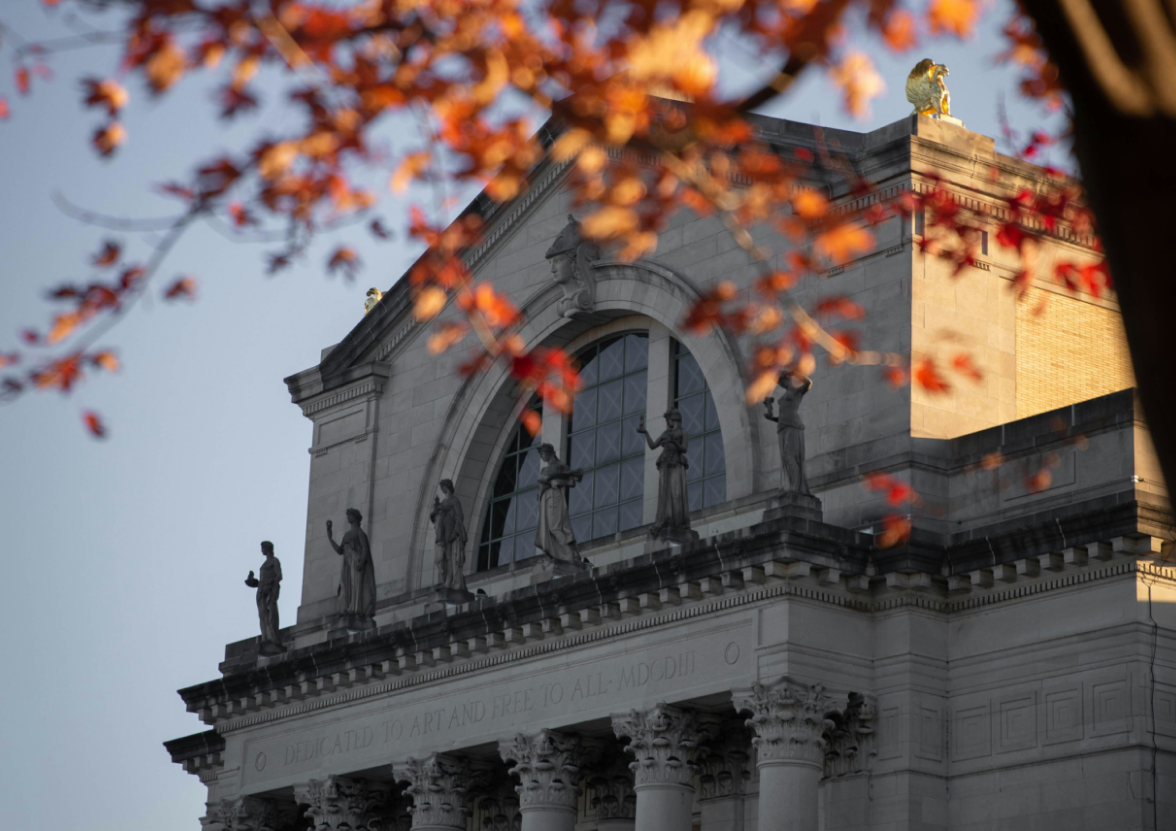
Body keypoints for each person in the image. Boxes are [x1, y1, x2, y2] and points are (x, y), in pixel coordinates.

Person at [637, 409, 694, 540]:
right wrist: (645, 432)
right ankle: (666, 519)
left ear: (673, 419)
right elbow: (652, 446)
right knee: (666, 493)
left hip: (676, 463)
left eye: (668, 420)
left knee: (676, 492)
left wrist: (674, 443)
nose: (668, 423)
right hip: (665, 464)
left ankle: (677, 520)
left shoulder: (683, 433)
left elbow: (684, 448)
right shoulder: (666, 433)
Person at [763, 371, 813, 495]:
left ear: (786, 378)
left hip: (793, 425)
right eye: (778, 383)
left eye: (780, 381)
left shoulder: (796, 390)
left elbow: (808, 383)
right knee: (786, 459)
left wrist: (796, 373)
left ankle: (795, 487)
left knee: (789, 455)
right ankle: (791, 486)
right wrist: (772, 418)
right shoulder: (786, 394)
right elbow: (783, 416)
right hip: (783, 427)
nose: (780, 384)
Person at [326, 508, 377, 627]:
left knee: (356, 587)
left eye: (349, 515)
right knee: (345, 587)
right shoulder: (347, 535)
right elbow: (340, 550)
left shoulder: (359, 532)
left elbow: (364, 548)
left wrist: (362, 561)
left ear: (355, 517)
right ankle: (347, 609)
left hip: (356, 563)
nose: (348, 517)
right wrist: (330, 538)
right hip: (347, 565)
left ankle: (357, 611)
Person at [534, 443, 584, 564]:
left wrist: (557, 480)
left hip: (554, 496)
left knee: (555, 528)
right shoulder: (544, 469)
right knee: (550, 529)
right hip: (545, 500)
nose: (541, 457)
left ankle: (569, 553)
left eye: (542, 454)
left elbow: (572, 481)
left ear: (548, 453)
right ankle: (560, 554)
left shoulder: (560, 466)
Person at [244, 540, 284, 653]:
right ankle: (265, 637)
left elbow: (279, 576)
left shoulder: (274, 561)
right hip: (261, 592)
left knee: (271, 613)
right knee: (262, 616)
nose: (262, 550)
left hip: (270, 591)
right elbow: (261, 581)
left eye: (262, 548)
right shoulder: (264, 564)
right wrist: (252, 581)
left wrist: (269, 584)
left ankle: (273, 637)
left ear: (267, 548)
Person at [430, 479, 469, 593]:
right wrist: (436, 506)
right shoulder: (443, 502)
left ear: (447, 486)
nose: (442, 489)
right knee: (444, 558)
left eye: (442, 486)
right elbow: (436, 516)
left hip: (451, 532)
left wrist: (455, 532)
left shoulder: (454, 500)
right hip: (443, 533)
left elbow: (460, 516)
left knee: (450, 557)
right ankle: (446, 580)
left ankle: (450, 581)